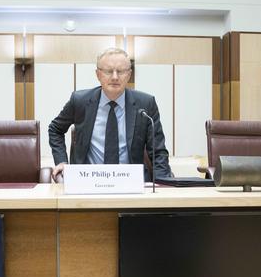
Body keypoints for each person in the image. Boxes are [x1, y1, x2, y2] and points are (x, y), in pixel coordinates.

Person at [49, 47, 171, 182]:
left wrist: (163, 183)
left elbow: (158, 151)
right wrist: (61, 161)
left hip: (131, 182)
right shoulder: (80, 101)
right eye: (108, 71)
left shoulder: (145, 104)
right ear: (98, 74)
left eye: (121, 71)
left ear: (129, 74)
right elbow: (55, 129)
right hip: (87, 181)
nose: (114, 77)